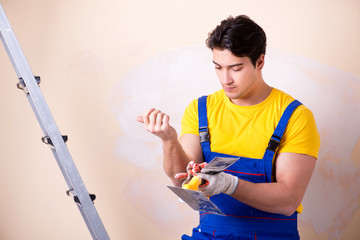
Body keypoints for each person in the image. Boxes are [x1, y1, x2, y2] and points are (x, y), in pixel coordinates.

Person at [137, 15, 320, 240]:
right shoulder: (200, 110)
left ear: (259, 62)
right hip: (209, 234)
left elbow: (288, 200)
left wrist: (228, 184)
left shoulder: (294, 117)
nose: (226, 79)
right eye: (218, 67)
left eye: (235, 68)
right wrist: (169, 140)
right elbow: (182, 180)